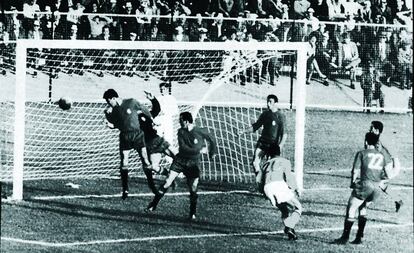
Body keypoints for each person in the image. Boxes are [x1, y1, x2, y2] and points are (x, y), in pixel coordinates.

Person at [146, 111, 217, 220]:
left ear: (186, 121)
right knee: (167, 181)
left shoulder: (200, 131)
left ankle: (192, 213)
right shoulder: (180, 132)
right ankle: (153, 204)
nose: (179, 122)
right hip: (180, 161)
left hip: (193, 163)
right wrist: (198, 149)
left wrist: (212, 152)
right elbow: (183, 148)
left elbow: (211, 138)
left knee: (193, 187)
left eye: (180, 120)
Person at [333, 132, 395, 244]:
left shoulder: (362, 153)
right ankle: (359, 237)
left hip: (366, 185)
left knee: (351, 209)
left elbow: (355, 170)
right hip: (377, 188)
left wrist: (352, 182)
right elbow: (387, 174)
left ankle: (344, 238)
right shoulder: (381, 155)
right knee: (363, 208)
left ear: (366, 141)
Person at [103, 89, 156, 199]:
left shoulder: (131, 102)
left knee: (145, 159)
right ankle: (125, 189)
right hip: (125, 136)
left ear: (113, 98)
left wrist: (151, 119)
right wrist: (108, 118)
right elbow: (116, 125)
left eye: (109, 101)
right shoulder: (114, 110)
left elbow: (144, 108)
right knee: (124, 161)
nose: (108, 104)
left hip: (137, 135)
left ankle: (151, 184)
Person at [238, 94, 287, 190]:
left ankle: (272, 186)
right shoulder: (265, 114)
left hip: (273, 146)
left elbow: (284, 134)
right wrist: (243, 131)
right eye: (267, 102)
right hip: (262, 143)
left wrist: (280, 146)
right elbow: (256, 126)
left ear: (276, 103)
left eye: (271, 102)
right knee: (255, 163)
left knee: (272, 167)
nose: (268, 104)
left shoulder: (280, 116)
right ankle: (261, 185)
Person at [262, 144, 302, 240]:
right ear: (279, 152)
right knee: (298, 207)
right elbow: (289, 178)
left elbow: (260, 181)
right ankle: (289, 227)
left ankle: (290, 231)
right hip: (278, 185)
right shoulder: (284, 161)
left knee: (284, 210)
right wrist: (296, 189)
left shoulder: (265, 164)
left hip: (267, 188)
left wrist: (266, 194)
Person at [368, 121, 402, 212]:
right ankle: (398, 200)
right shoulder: (372, 137)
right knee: (381, 184)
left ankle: (367, 202)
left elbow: (392, 151)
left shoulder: (382, 138)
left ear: (377, 130)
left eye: (371, 127)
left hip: (387, 165)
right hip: (381, 165)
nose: (369, 129)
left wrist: (395, 164)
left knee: (378, 183)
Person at [141, 91, 176, 174]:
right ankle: (169, 176)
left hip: (158, 141)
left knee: (178, 157)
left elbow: (157, 109)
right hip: (150, 146)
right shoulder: (130, 122)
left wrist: (153, 99)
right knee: (154, 166)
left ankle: (191, 174)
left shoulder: (146, 115)